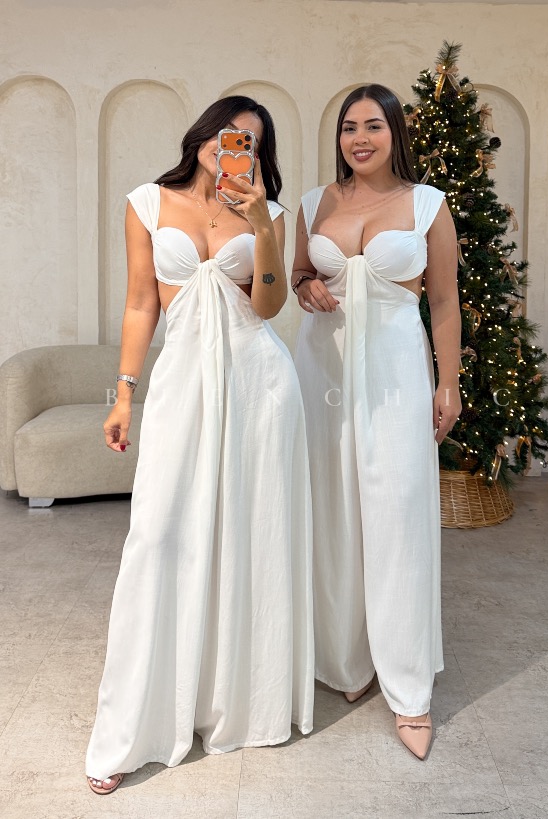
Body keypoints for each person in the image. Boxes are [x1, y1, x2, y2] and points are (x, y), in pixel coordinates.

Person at [86, 96, 314, 794]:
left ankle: (241, 704)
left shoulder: (269, 212)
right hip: (182, 384)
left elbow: (268, 306)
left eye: (252, 141)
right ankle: (130, 727)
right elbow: (141, 303)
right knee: (157, 537)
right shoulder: (147, 203)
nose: (235, 145)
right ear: (204, 135)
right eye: (228, 133)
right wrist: (124, 392)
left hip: (259, 387)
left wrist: (262, 226)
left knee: (252, 537)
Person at [291, 84, 460, 760]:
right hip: (322, 369)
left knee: (397, 517)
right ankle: (345, 657)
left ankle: (409, 689)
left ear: (395, 132)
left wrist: (448, 383)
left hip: (394, 370)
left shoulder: (427, 205)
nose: (359, 138)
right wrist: (305, 284)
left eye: (373, 126)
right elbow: (297, 275)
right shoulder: (315, 204)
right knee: (329, 510)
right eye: (348, 127)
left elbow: (443, 302)